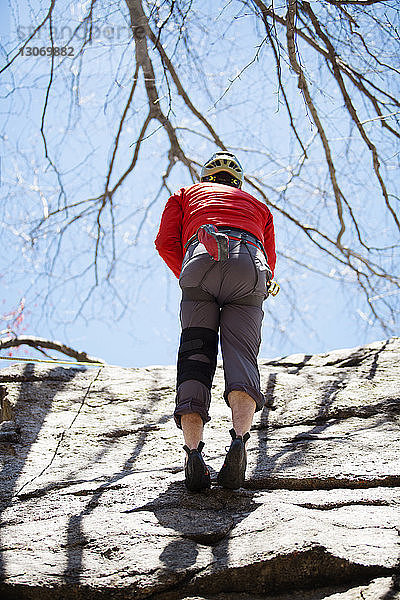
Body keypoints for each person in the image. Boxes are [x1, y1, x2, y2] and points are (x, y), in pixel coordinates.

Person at [155, 151, 276, 492]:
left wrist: (190, 275)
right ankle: (239, 441)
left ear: (206, 177)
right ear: (237, 181)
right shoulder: (258, 206)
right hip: (250, 263)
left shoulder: (185, 194)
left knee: (195, 358)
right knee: (241, 357)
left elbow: (165, 242)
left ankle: (193, 452)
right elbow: (271, 257)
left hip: (200, 257)